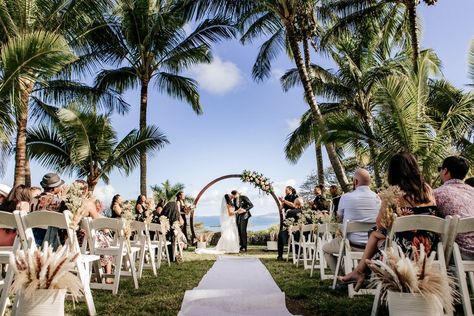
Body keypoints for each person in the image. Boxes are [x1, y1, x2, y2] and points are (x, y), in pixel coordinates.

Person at [338, 153, 437, 291]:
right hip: (429, 248)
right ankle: (359, 272)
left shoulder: (393, 192)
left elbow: (380, 224)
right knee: (377, 236)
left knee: (375, 233)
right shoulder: (428, 190)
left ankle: (360, 271)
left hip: (404, 250)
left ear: (394, 172)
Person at [322, 168, 380, 274]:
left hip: (351, 245)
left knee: (325, 249)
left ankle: (341, 278)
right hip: (374, 246)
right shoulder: (378, 198)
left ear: (355, 182)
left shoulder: (346, 197)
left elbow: (339, 219)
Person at [434, 156, 474, 259]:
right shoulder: (472, 192)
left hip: (461, 254)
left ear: (446, 171)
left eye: (440, 169)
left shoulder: (437, 194)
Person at [31, 173, 66, 245]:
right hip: (51, 240)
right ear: (54, 188)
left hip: (32, 237)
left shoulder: (32, 200)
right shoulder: (59, 202)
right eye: (59, 185)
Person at [277, 186, 299, 260]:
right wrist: (281, 202)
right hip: (287, 218)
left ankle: (296, 253)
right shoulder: (285, 197)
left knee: (293, 234)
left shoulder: (295, 196)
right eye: (285, 190)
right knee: (281, 234)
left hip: (295, 218)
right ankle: (280, 255)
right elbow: (281, 208)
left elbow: (294, 205)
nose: (285, 191)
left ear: (290, 190)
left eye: (286, 190)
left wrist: (284, 201)